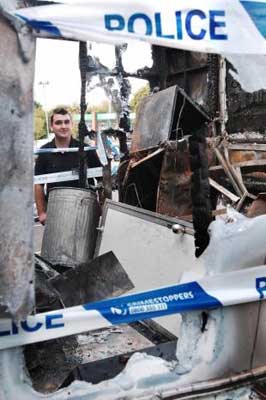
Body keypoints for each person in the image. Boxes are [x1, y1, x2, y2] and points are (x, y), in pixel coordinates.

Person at [35, 107, 101, 225]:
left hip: (84, 211)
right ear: (52, 127)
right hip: (55, 213)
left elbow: (102, 181)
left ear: (71, 124)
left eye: (66, 122)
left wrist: (102, 208)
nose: (63, 126)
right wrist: (41, 213)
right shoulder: (44, 152)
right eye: (58, 123)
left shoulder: (86, 149)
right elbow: (38, 184)